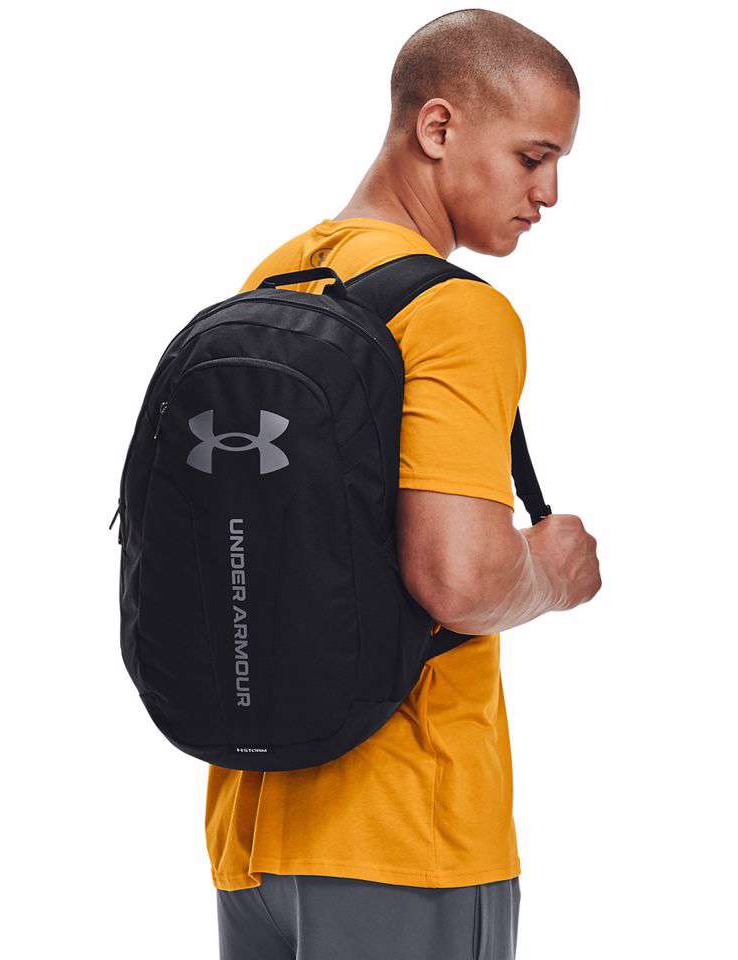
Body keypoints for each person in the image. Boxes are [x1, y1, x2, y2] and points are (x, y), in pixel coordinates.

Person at [210, 9, 601, 959]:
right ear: (437, 127)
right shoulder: (454, 312)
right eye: (533, 157)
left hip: (251, 829)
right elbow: (458, 579)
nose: (549, 193)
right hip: (405, 835)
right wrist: (553, 571)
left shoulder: (275, 281)